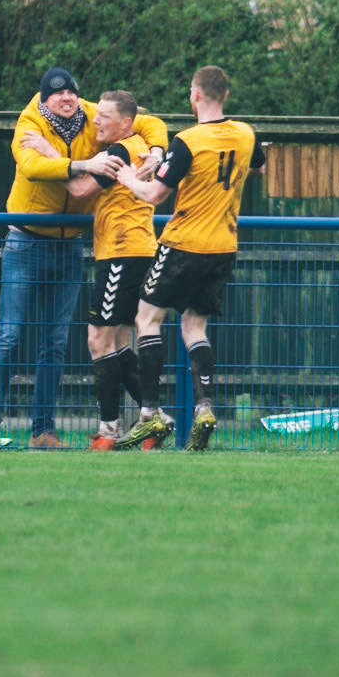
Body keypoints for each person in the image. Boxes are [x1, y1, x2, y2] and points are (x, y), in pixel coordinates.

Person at [0, 66, 167, 449]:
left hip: (71, 246)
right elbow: (31, 167)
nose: (67, 99)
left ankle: (44, 431)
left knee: (56, 342)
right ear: (43, 98)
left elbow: (148, 120)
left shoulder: (94, 116)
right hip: (26, 242)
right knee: (10, 336)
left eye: (72, 93)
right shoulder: (29, 123)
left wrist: (160, 149)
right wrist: (82, 164)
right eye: (57, 93)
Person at [118, 66, 263, 452]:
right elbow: (260, 165)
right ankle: (204, 409)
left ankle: (150, 415)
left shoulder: (187, 141)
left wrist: (127, 178)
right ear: (226, 96)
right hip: (223, 245)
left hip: (183, 243)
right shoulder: (246, 134)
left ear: (194, 95)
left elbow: (153, 196)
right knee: (194, 327)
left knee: (147, 319)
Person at [25, 91, 159, 450]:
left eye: (103, 117)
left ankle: (110, 431)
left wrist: (51, 154)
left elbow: (82, 188)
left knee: (97, 340)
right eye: (95, 114)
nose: (94, 121)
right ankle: (152, 419)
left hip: (122, 252)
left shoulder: (118, 152)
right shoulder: (137, 143)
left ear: (125, 123)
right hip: (132, 250)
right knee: (114, 341)